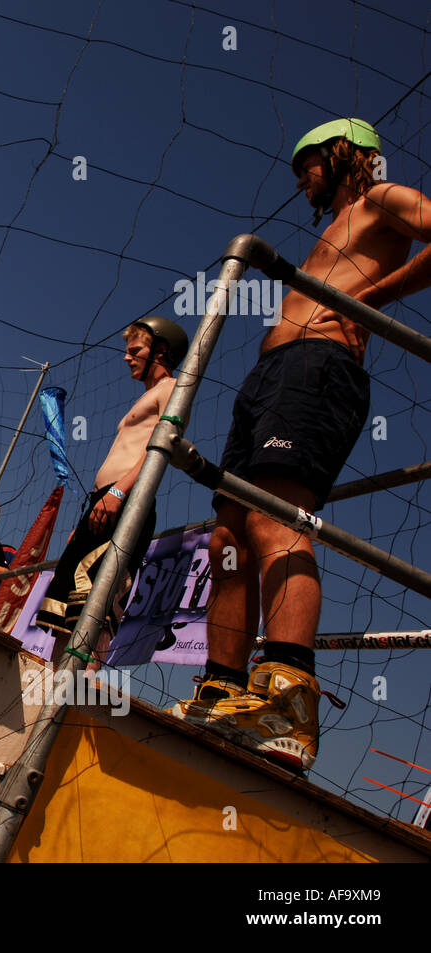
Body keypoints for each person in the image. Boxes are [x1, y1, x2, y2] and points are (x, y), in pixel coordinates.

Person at [173, 118, 431, 772]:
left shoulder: (383, 197)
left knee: (274, 519)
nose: (300, 180)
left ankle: (287, 700)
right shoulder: (329, 227)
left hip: (321, 368)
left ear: (345, 153)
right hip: (269, 377)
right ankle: (221, 687)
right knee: (226, 536)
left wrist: (372, 296)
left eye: (306, 164)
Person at [35, 317, 187, 663]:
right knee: (67, 601)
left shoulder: (172, 389)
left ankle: (79, 692)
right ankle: (53, 691)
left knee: (98, 600)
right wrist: (93, 511)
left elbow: (159, 448)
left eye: (135, 350)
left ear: (160, 351)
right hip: (101, 502)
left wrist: (119, 493)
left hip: (128, 499)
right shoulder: (146, 396)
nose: (126, 357)